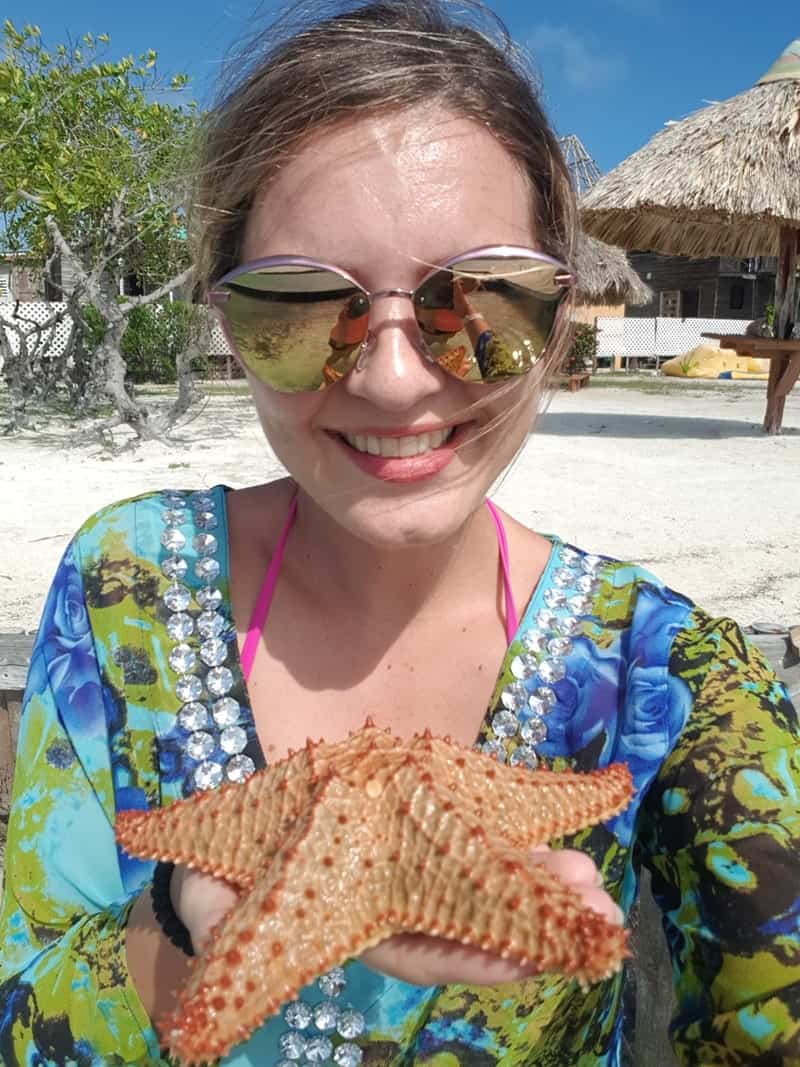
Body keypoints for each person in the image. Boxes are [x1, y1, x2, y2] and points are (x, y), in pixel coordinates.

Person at [1, 2, 798, 1065]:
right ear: (228, 326)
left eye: (481, 301)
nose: (390, 378)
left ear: (561, 316)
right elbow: (25, 1008)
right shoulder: (125, 585)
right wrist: (192, 922)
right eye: (297, 304)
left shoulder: (672, 675)